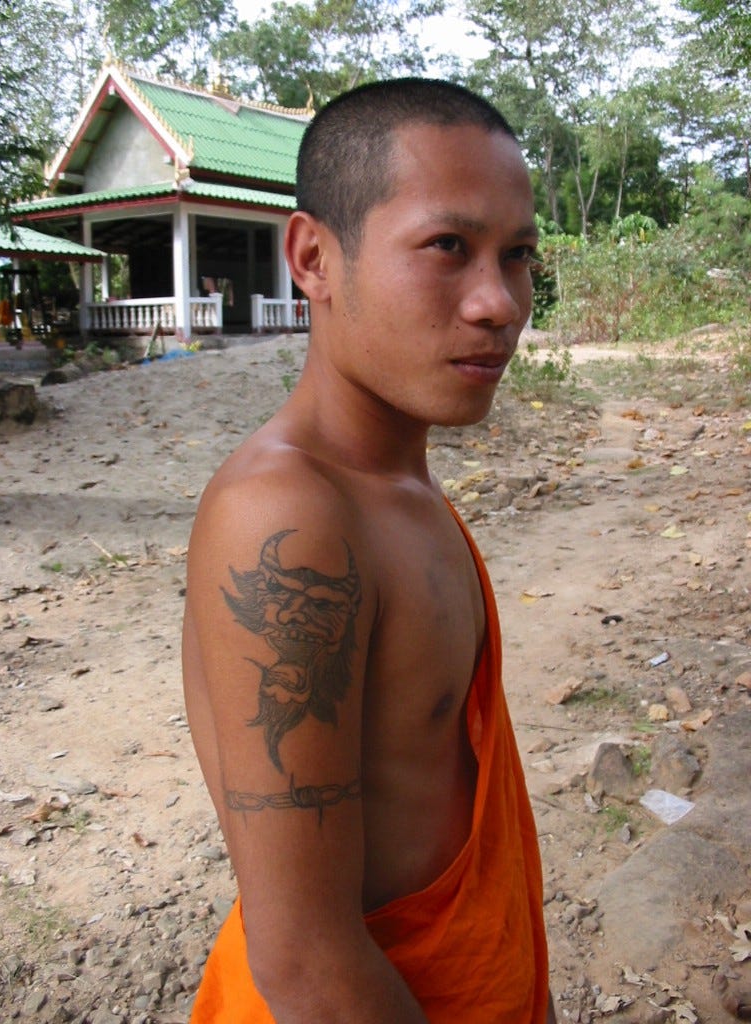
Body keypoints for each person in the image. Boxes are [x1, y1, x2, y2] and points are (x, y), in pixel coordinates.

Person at [182, 77, 555, 1023]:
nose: (498, 304)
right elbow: (305, 960)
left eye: (517, 257)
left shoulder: (402, 484)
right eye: (447, 248)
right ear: (314, 257)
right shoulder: (289, 517)